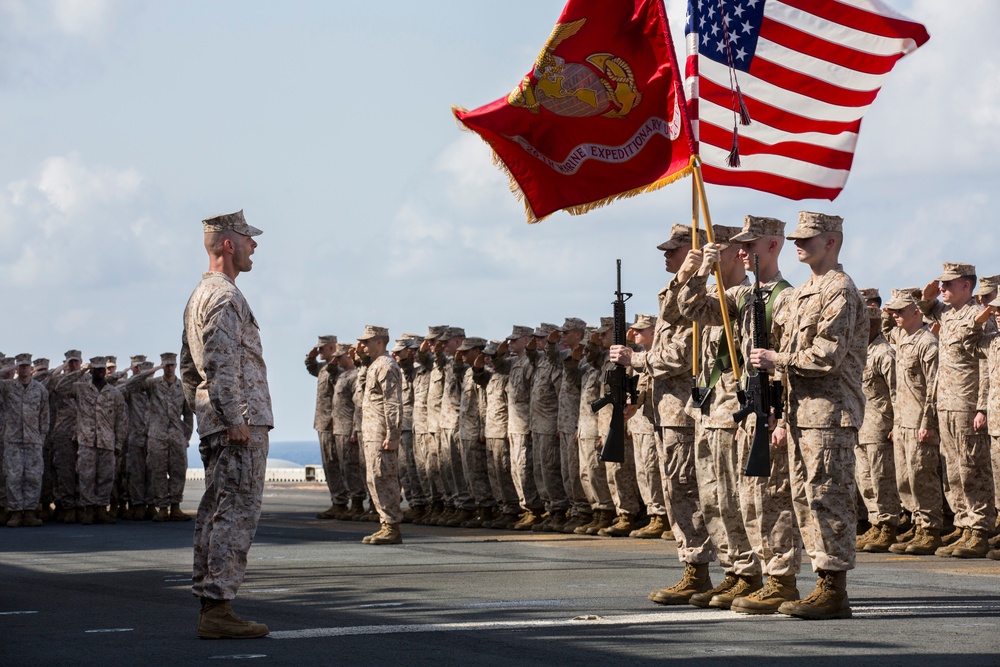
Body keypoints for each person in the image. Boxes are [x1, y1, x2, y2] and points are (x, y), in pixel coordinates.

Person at [677, 214, 802, 615]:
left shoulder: (787, 297)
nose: (744, 253)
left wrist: (782, 417)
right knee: (731, 499)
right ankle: (743, 571)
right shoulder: (742, 298)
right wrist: (698, 269)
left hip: (770, 413)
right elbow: (691, 308)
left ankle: (777, 578)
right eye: (741, 246)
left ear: (773, 246)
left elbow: (791, 363)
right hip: (746, 410)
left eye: (752, 245)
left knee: (769, 499)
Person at [750, 211, 867, 620]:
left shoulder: (841, 291)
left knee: (829, 499)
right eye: (796, 238)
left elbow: (826, 356)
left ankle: (834, 588)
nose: (799, 243)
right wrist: (780, 414)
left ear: (831, 242)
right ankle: (820, 582)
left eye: (808, 238)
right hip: (802, 414)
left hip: (830, 415)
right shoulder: (802, 292)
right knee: (805, 499)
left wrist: (774, 359)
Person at [181, 209, 272, 639]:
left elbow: (187, 369)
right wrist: (234, 418)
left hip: (218, 420)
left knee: (215, 511)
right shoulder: (224, 297)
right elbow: (219, 365)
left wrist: (204, 413)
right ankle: (217, 608)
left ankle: (212, 603)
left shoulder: (199, 296)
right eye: (248, 239)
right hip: (239, 424)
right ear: (230, 245)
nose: (255, 245)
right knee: (235, 512)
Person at [611, 224, 714, 605]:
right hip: (663, 410)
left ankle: (699, 569)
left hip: (684, 411)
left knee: (686, 489)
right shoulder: (671, 293)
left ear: (695, 250)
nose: (666, 255)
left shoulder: (701, 295)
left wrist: (635, 359)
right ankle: (693, 567)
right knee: (675, 491)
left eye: (675, 248)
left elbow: (682, 354)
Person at [919, 262, 997, 558]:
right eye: (942, 285)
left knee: (972, 468)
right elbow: (927, 308)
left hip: (967, 403)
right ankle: (964, 525)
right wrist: (926, 297)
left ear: (967, 286)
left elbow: (986, 365)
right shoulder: (946, 313)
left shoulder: (978, 317)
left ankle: (979, 530)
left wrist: (982, 406)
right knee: (953, 469)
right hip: (945, 404)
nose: (943, 289)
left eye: (949, 285)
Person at [884, 288, 944, 555]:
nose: (895, 315)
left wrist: (928, 422)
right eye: (893, 311)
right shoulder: (899, 337)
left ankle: (931, 530)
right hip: (902, 420)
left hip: (920, 420)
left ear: (916, 312)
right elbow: (883, 323)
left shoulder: (927, 343)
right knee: (905, 479)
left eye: (900, 310)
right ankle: (918, 523)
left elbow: (933, 386)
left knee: (923, 475)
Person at [854, 305, 900, 553]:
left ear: (874, 325)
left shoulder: (884, 353)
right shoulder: (859, 351)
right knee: (865, 479)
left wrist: (896, 424)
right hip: (861, 425)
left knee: (882, 479)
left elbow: (897, 392)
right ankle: (875, 522)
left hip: (881, 425)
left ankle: (889, 526)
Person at [355, 324, 404, 545]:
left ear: (379, 342)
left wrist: (393, 435)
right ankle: (385, 523)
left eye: (366, 342)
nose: (362, 346)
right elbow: (361, 396)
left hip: (381, 433)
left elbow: (392, 403)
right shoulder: (373, 365)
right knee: (374, 478)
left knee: (384, 478)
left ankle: (392, 526)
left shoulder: (386, 366)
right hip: (371, 432)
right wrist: (362, 363)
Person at [74, 356, 128, 525]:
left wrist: (118, 443)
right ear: (90, 371)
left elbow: (121, 421)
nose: (99, 372)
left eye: (101, 369)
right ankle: (88, 510)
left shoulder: (114, 393)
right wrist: (80, 371)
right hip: (87, 442)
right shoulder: (81, 389)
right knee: (86, 476)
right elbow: (59, 388)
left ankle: (101, 509)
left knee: (106, 477)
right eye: (95, 369)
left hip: (107, 442)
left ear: (105, 371)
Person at [1, 354, 50, 527]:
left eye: (26, 366)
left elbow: (45, 415)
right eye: (20, 366)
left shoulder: (39, 389)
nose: (23, 369)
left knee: (33, 477)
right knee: (13, 477)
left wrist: (42, 436)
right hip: (13, 439)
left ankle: (29, 512)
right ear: (16, 368)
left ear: (31, 368)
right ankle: (15, 512)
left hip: (33, 440)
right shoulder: (7, 387)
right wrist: (8, 369)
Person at [306, 335, 349, 520]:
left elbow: (333, 375)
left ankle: (341, 502)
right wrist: (311, 356)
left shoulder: (337, 368)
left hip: (333, 423)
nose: (319, 352)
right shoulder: (322, 368)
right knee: (329, 464)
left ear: (332, 348)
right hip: (322, 422)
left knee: (336, 464)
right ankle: (337, 501)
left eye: (322, 349)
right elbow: (311, 368)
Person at [147, 352, 195, 521]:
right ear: (162, 365)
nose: (168, 368)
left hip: (176, 436)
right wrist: (153, 370)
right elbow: (133, 385)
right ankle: (162, 508)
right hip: (157, 435)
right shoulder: (153, 385)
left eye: (171, 365)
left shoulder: (182, 387)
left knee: (178, 471)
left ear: (175, 366)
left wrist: (186, 436)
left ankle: (175, 506)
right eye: (165, 365)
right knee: (158, 472)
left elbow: (189, 414)